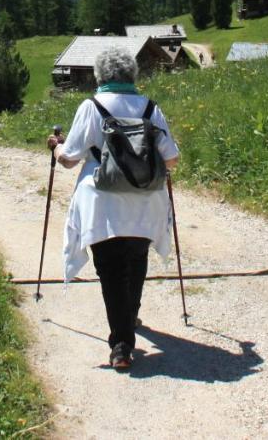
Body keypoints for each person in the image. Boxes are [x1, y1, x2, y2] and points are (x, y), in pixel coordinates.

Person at [46, 46, 179, 371]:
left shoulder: (91, 107)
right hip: (146, 199)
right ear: (132, 74)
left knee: (110, 269)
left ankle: (121, 345)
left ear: (100, 75)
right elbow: (171, 158)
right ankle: (129, 319)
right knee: (136, 259)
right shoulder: (150, 107)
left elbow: (69, 159)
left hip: (101, 200)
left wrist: (56, 146)